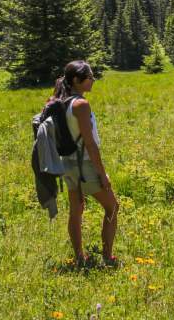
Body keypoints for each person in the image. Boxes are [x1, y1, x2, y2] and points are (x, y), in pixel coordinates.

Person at [56, 60, 119, 267]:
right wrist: (102, 174)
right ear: (76, 80)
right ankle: (107, 257)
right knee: (112, 207)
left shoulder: (61, 101)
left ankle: (79, 257)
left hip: (67, 163)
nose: (93, 80)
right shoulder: (81, 105)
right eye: (90, 76)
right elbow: (90, 144)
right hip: (84, 164)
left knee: (76, 210)